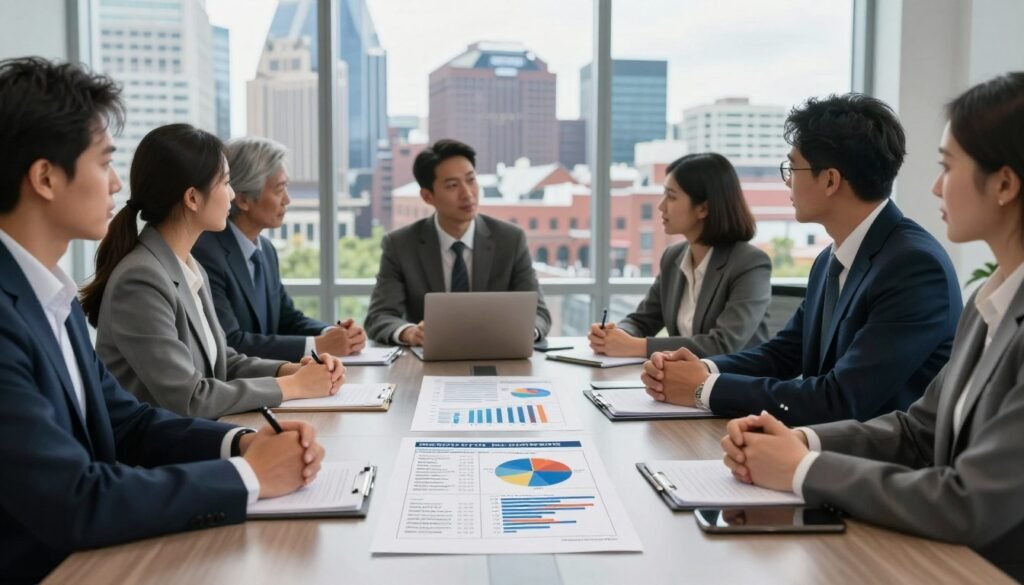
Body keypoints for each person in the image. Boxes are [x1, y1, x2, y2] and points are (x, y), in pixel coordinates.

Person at [0, 57, 326, 584]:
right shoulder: (10, 312)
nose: (113, 184)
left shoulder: (46, 296)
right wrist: (246, 476)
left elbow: (127, 422)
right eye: (104, 162)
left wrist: (241, 444)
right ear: (44, 177)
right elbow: (74, 498)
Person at [720, 72, 1024, 581]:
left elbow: (968, 503)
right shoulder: (988, 302)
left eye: (947, 167)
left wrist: (801, 469)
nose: (933, 186)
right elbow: (918, 431)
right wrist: (802, 441)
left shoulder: (921, 265)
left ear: (1005, 183)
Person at [640, 93, 963, 426]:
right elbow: (784, 353)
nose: (788, 181)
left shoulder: (914, 268)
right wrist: (703, 368)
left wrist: (703, 388)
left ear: (830, 180)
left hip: (882, 467)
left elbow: (839, 400)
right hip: (826, 450)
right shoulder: (831, 259)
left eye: (792, 167)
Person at [80, 124, 344, 419]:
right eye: (226, 183)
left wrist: (289, 369)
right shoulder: (140, 280)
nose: (232, 195)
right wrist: (292, 386)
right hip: (159, 457)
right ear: (193, 198)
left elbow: (223, 363)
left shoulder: (188, 267)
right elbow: (192, 399)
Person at [192, 137, 366, 362]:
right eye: (279, 189)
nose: (288, 200)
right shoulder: (206, 253)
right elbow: (231, 342)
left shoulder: (265, 249)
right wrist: (319, 345)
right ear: (243, 199)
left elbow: (287, 319)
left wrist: (333, 334)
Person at [364, 138, 552, 346]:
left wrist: (526, 332)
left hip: (498, 356)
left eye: (471, 180)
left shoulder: (510, 240)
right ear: (427, 196)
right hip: (427, 363)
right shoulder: (400, 245)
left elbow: (539, 313)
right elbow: (379, 316)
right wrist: (410, 332)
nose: (468, 194)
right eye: (452, 185)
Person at [587, 153, 772, 358]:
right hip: (682, 382)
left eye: (671, 197)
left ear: (703, 208)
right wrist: (616, 335)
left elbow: (722, 344)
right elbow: (641, 321)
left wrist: (635, 346)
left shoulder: (750, 264)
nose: (661, 206)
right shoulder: (673, 258)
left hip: (733, 384)